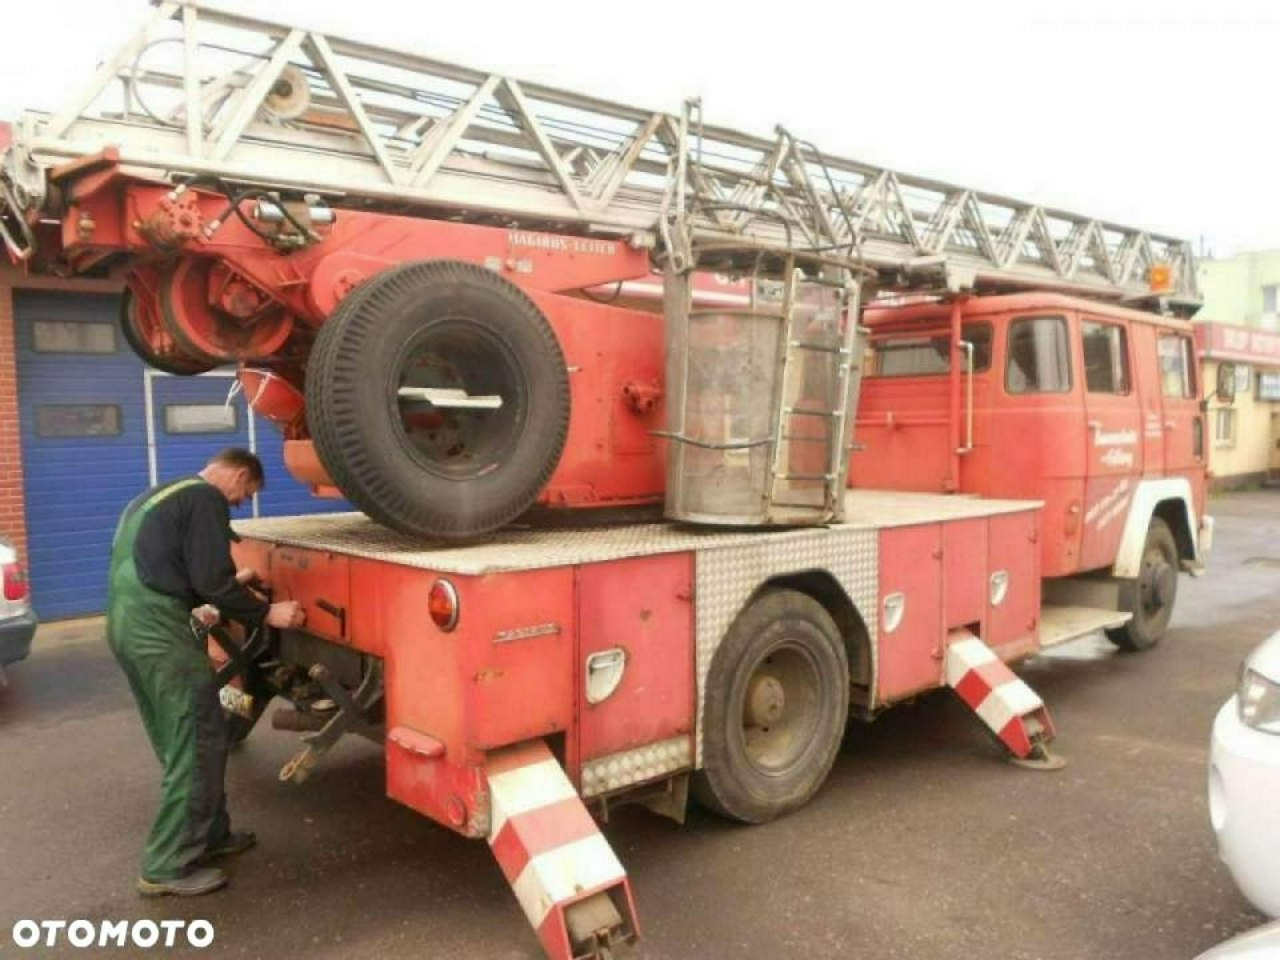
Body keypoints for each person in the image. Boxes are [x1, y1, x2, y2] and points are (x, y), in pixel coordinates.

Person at [107, 448, 305, 897]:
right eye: (245, 494)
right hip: (160, 633)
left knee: (194, 735)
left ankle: (210, 836)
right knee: (196, 741)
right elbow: (211, 580)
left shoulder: (159, 495)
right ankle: (166, 865)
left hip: (129, 625)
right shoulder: (206, 498)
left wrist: (228, 589)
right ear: (238, 475)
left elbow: (171, 569)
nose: (239, 503)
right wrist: (268, 613)